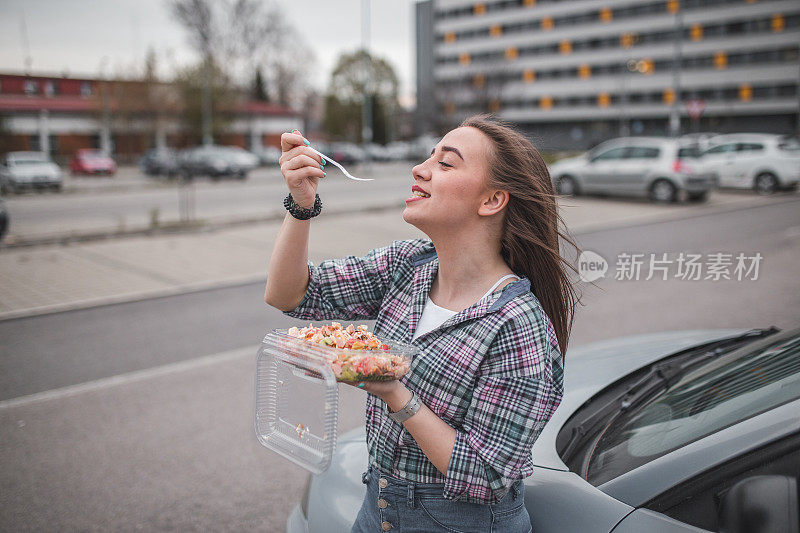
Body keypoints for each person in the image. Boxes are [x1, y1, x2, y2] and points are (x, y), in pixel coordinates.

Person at [265, 116, 582, 533]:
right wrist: (301, 206)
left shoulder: (518, 324)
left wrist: (394, 391)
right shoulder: (408, 265)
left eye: (446, 163)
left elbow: (485, 476)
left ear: (491, 200)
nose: (420, 168)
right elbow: (290, 294)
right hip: (377, 507)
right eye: (429, 155)